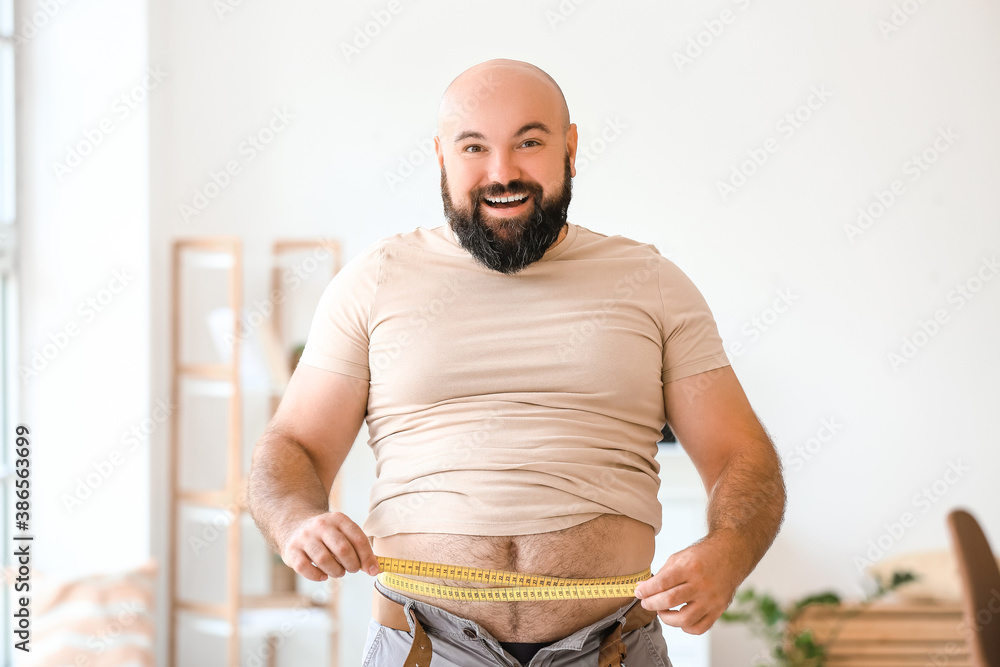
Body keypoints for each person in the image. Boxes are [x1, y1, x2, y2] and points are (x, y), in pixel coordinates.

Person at [247, 58, 786, 666]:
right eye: (474, 147)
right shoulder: (373, 283)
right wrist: (296, 520)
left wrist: (729, 551)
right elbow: (292, 444)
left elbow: (744, 456)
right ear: (442, 156)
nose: (502, 172)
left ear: (570, 147)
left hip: (612, 649)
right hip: (424, 647)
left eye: (529, 142)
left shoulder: (652, 283)